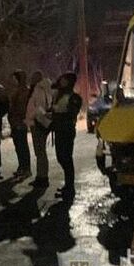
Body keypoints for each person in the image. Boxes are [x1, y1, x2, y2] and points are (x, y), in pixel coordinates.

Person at [50, 72, 82, 201]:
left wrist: (58, 112)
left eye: (64, 80)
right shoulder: (60, 94)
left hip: (67, 130)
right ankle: (68, 186)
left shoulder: (74, 97)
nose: (61, 81)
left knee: (66, 158)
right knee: (61, 157)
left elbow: (72, 113)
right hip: (59, 129)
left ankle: (69, 188)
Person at [25, 71, 53, 188]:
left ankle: (42, 178)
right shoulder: (44, 88)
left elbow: (39, 108)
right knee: (40, 151)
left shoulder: (39, 89)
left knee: (40, 152)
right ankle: (40, 176)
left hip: (38, 123)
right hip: (39, 123)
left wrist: (32, 116)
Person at [8, 70, 31, 177]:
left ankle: (26, 168)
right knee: (18, 145)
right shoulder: (16, 90)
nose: (13, 80)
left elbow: (22, 107)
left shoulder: (24, 91)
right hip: (14, 121)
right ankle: (22, 166)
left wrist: (19, 119)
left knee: (22, 145)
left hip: (20, 121)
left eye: (15, 78)